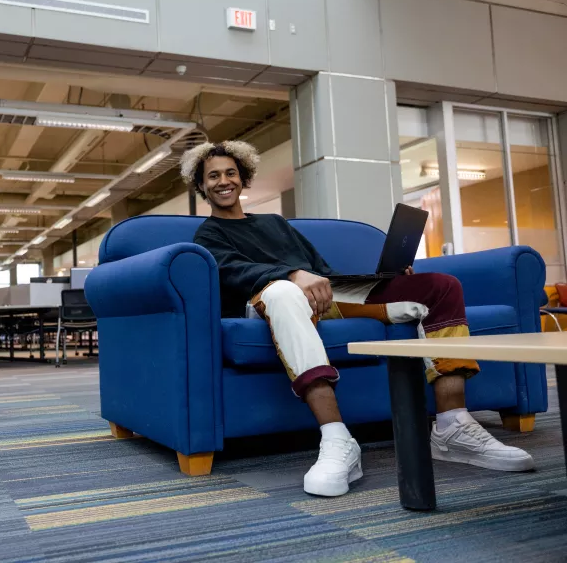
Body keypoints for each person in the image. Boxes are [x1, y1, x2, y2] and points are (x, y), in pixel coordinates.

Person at [182, 140, 535, 498]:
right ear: (201, 186)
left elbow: (324, 272)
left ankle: (452, 427)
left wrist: (383, 280)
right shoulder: (207, 235)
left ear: (243, 179)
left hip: (323, 291)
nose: (223, 181)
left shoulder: (275, 223)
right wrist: (291, 274)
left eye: (230, 173)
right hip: (267, 299)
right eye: (212, 176)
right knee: (282, 292)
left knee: (439, 287)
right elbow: (235, 273)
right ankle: (337, 439)